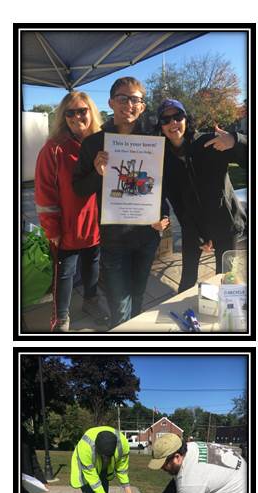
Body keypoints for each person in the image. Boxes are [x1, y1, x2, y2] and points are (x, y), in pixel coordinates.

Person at [72, 77, 170, 328]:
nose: (129, 104)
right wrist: (97, 173)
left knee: (137, 296)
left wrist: (164, 215)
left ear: (143, 106)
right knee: (119, 305)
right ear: (111, 103)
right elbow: (79, 189)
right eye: (122, 98)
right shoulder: (94, 143)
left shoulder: (154, 140)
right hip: (114, 239)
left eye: (135, 99)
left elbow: (163, 184)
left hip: (147, 237)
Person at [34, 91, 110, 331]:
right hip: (67, 227)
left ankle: (91, 302)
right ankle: (61, 317)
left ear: (91, 112)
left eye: (82, 111)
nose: (77, 117)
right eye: (70, 113)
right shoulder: (54, 149)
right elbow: (44, 193)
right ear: (63, 117)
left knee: (92, 266)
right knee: (65, 273)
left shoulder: (103, 143)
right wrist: (51, 228)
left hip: (96, 223)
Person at [154, 99, 248, 291]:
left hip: (225, 222)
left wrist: (235, 140)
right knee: (187, 280)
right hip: (192, 226)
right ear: (160, 126)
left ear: (186, 119)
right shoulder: (162, 157)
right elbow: (175, 201)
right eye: (166, 119)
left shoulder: (210, 142)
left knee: (226, 280)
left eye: (178, 116)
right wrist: (197, 234)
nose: (173, 123)